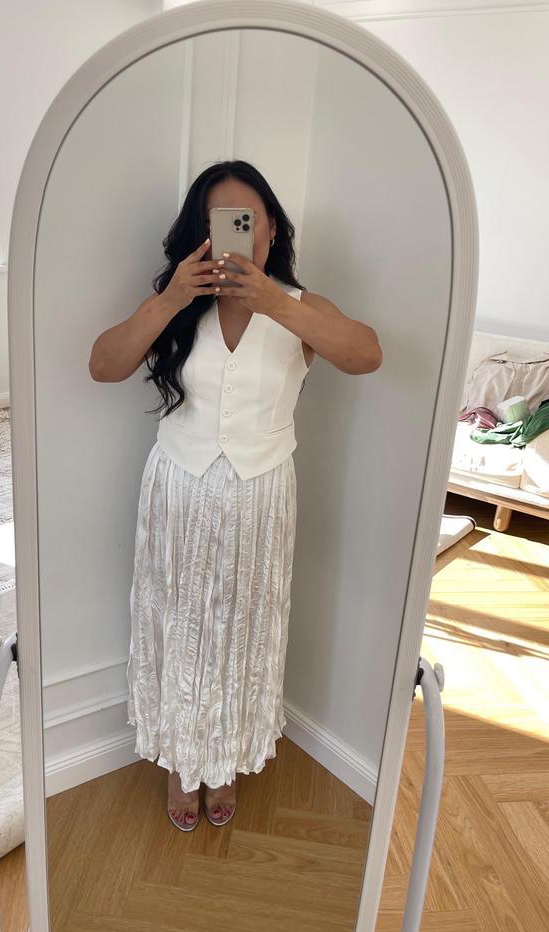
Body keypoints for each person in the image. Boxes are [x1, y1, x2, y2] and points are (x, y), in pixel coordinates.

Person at [89, 160, 382, 831]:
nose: (234, 235)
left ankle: (222, 760)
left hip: (261, 495)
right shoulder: (177, 304)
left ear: (270, 228)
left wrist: (274, 302)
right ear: (200, 232)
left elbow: (367, 355)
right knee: (178, 623)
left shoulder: (300, 306)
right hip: (178, 488)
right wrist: (170, 299)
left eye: (246, 221)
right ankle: (179, 761)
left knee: (243, 630)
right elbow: (103, 365)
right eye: (218, 222)